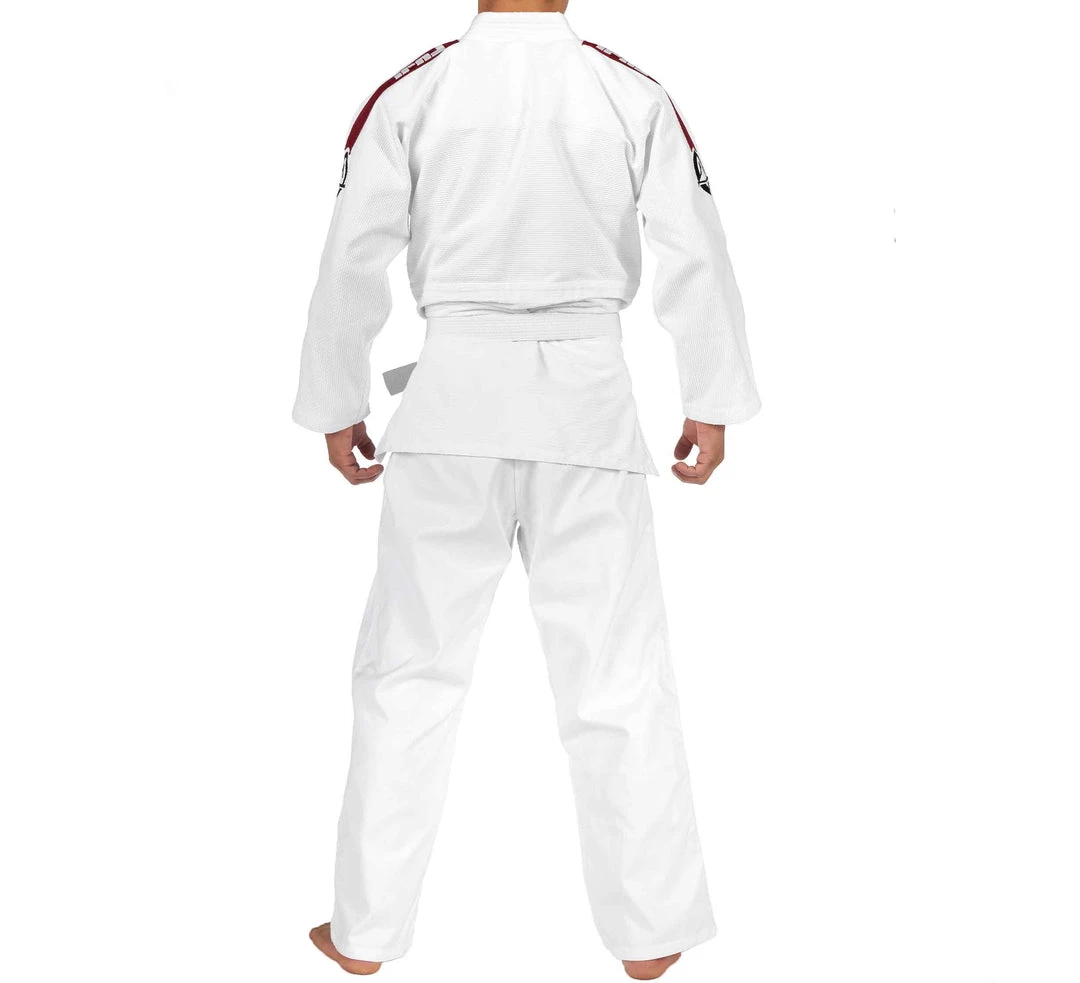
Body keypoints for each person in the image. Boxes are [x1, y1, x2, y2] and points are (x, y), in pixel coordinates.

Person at [292, 1, 760, 978]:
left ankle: (366, 932)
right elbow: (694, 245)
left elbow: (352, 251)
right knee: (618, 674)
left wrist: (337, 398)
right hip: (586, 412)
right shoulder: (628, 93)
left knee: (409, 674)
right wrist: (711, 398)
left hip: (451, 410)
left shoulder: (415, 92)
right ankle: (651, 932)